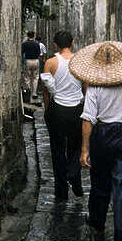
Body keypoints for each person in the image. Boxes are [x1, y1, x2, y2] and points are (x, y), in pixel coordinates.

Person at [70, 41, 122, 241]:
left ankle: (97, 223)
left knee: (100, 182)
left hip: (102, 136)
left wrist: (84, 149)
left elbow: (88, 119)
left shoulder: (95, 86)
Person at [39, 30, 84, 201]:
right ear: (72, 42)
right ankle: (74, 173)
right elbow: (86, 87)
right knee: (75, 146)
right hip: (77, 109)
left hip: (57, 109)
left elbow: (45, 90)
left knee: (57, 149)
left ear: (55, 45)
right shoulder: (80, 62)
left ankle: (61, 191)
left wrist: (47, 110)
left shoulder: (50, 63)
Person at [21, 30, 43, 100]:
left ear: (27, 36)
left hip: (28, 60)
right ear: (34, 36)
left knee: (27, 76)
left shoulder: (24, 44)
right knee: (35, 77)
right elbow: (39, 53)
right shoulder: (37, 44)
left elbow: (22, 52)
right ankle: (34, 93)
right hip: (36, 60)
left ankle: (28, 90)